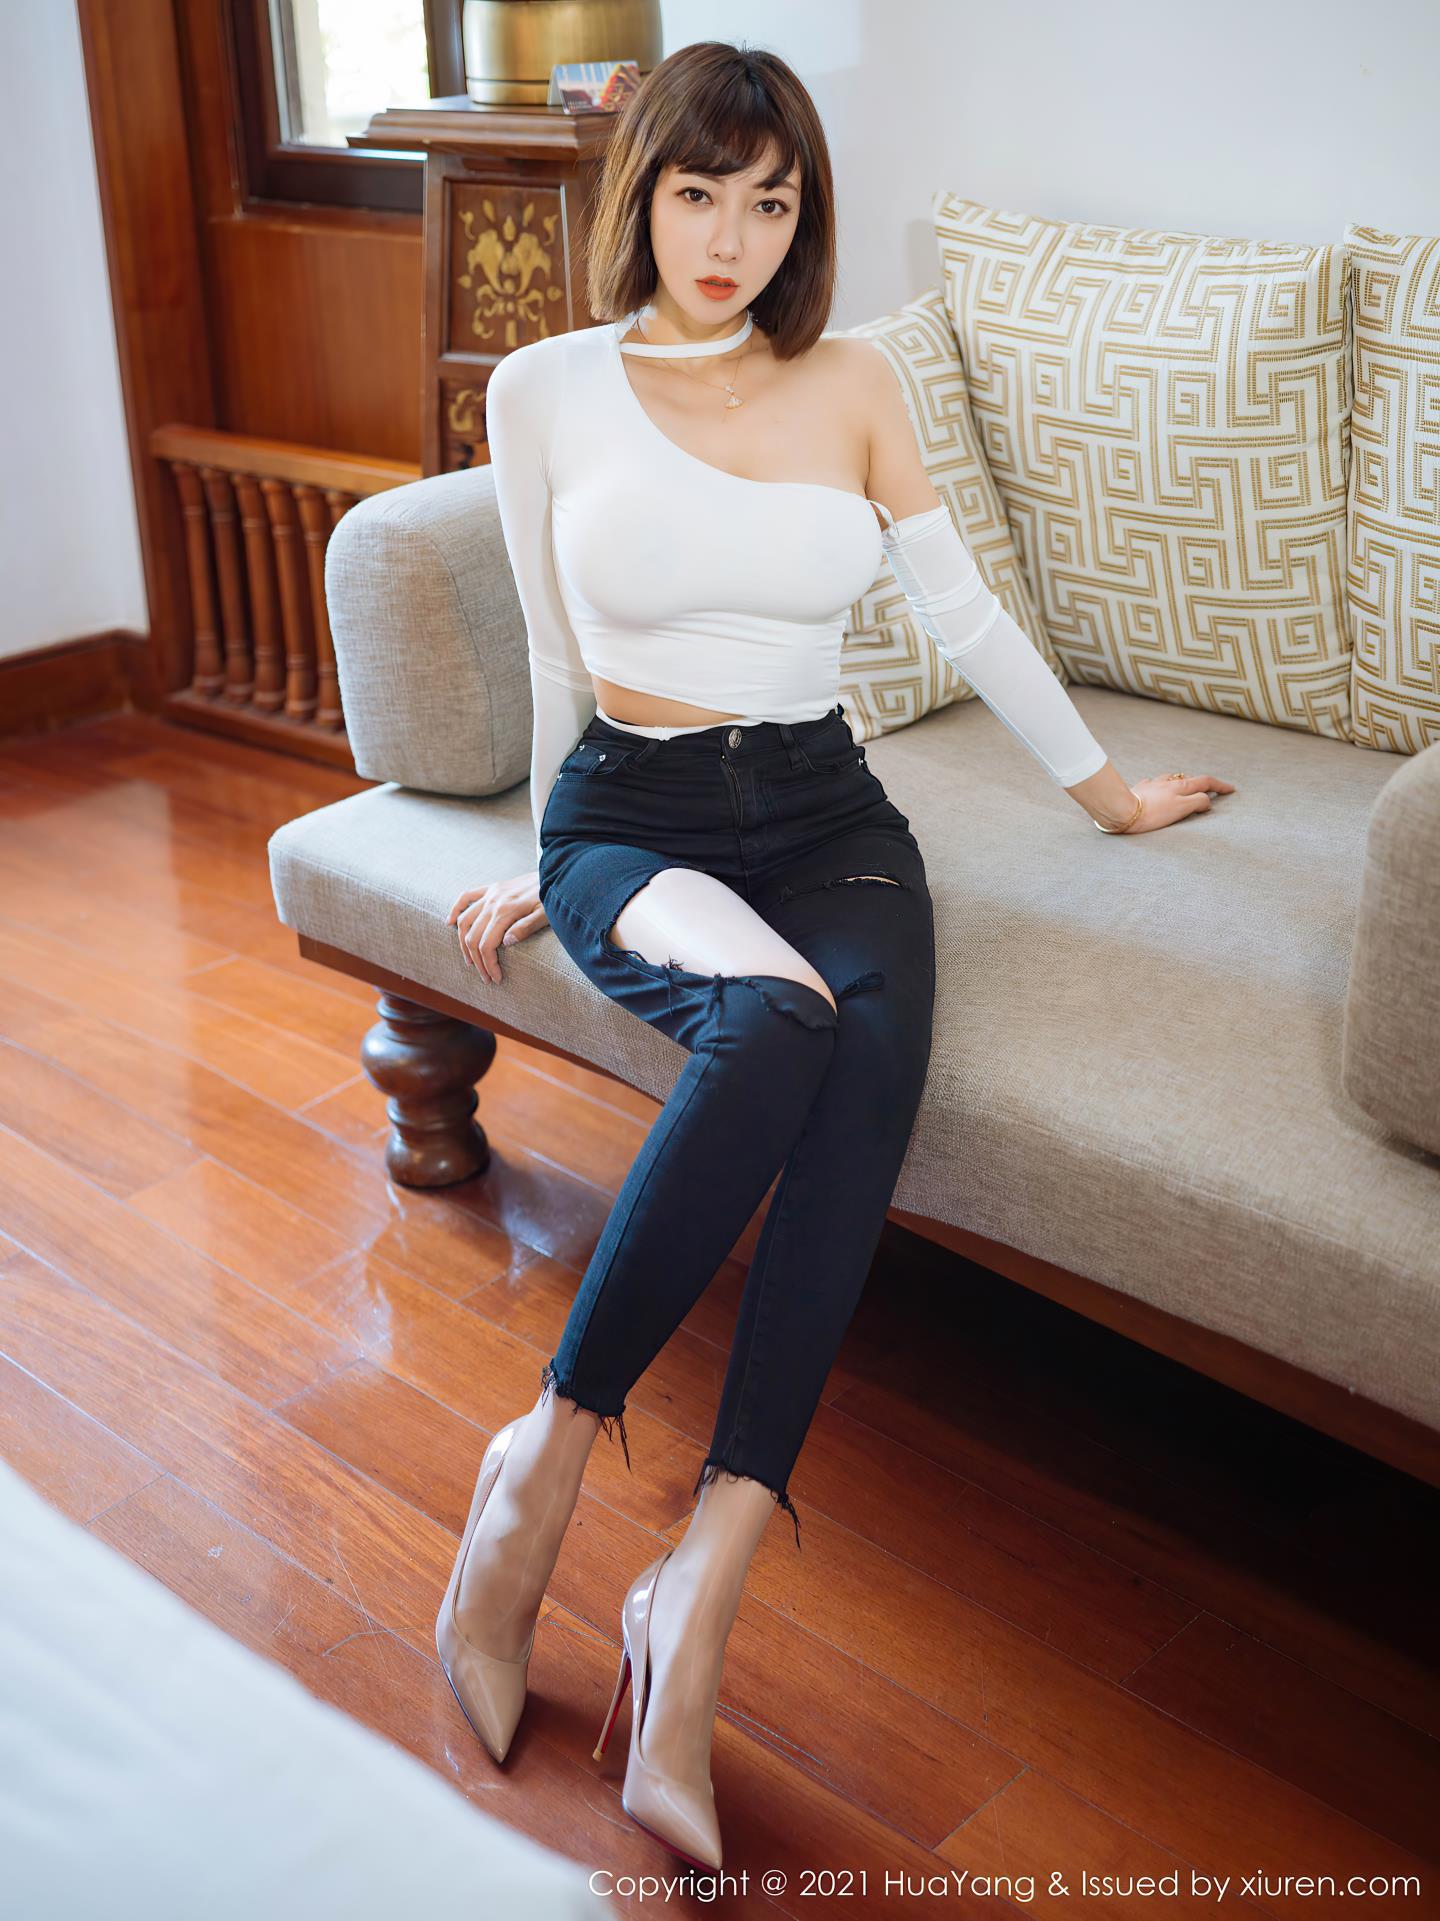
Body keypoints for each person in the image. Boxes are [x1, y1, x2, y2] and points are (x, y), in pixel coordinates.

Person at [438, 40, 1235, 1875]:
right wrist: (534, 859)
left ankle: (698, 1591)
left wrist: (1110, 794)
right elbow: (556, 655)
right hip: (632, 813)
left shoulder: (858, 380)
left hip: (827, 816)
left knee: (861, 1044)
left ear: (805, 217)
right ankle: (537, 1464)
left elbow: (969, 613)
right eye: (698, 193)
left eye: (771, 201)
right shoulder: (548, 389)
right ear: (641, 192)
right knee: (778, 1020)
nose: (731, 237)